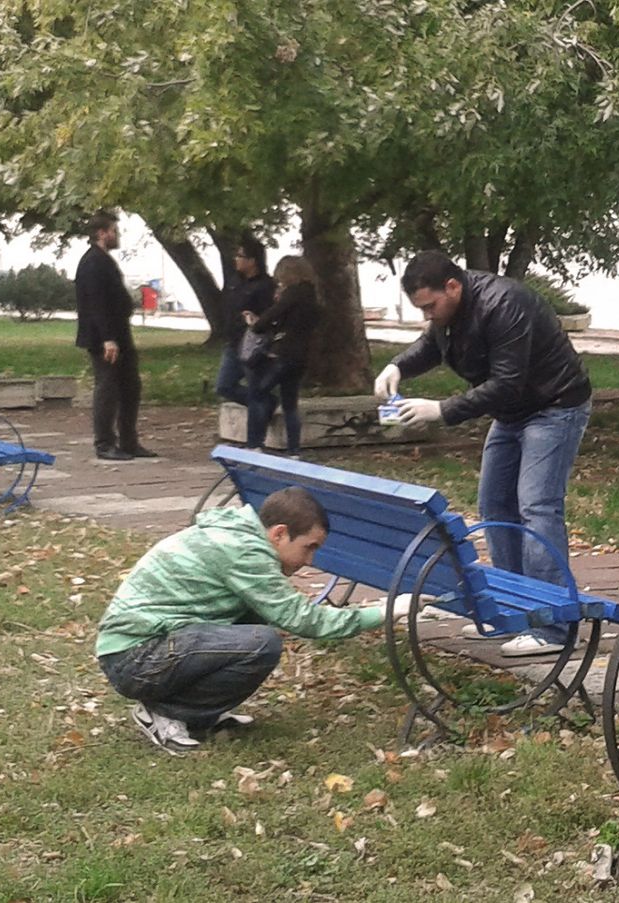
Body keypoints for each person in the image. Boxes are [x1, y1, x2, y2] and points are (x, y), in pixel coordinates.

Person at [374, 250, 592, 657]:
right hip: (511, 414)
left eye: (429, 305)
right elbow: (432, 344)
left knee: (537, 507)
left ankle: (554, 625)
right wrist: (397, 366)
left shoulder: (505, 304)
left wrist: (440, 410)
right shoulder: (449, 313)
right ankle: (513, 612)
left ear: (453, 287)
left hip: (555, 406)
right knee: (493, 505)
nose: (427, 315)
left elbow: (509, 382)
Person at [96, 486, 412, 754]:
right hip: (134, 658)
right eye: (308, 547)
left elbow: (280, 612)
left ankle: (197, 716)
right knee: (262, 643)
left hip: (141, 649)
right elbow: (305, 620)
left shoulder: (240, 537)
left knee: (256, 622)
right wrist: (386, 610)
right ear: (279, 533)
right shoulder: (244, 551)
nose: (310, 560)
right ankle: (164, 714)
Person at [74, 211, 157, 461]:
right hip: (105, 338)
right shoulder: (93, 262)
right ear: (102, 233)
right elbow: (97, 304)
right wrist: (108, 338)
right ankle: (104, 443)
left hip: (120, 334)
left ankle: (129, 441)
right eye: (114, 231)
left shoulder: (103, 260)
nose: (117, 236)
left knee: (131, 387)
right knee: (107, 389)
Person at [244, 255, 322, 456]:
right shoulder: (313, 296)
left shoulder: (293, 294)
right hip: (302, 356)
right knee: (290, 404)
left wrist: (256, 324)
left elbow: (272, 316)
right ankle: (294, 450)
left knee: (259, 394)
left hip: (284, 353)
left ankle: (254, 444)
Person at [215, 238, 275, 405]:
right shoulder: (235, 282)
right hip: (233, 343)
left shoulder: (265, 286)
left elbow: (268, 316)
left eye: (240, 256)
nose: (236, 259)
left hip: (252, 345)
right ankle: (266, 403)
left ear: (252, 261)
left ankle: (262, 408)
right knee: (224, 386)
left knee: (256, 386)